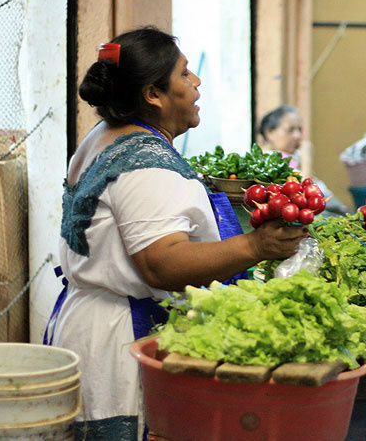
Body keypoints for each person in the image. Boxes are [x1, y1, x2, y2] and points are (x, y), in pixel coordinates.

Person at [44, 27, 308, 438]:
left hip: (87, 325)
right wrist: (256, 245)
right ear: (153, 94)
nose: (196, 82)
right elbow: (161, 264)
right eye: (185, 74)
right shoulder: (146, 163)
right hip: (121, 343)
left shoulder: (103, 137)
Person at [257, 105, 350, 215]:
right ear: (270, 133)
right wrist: (307, 159)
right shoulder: (269, 159)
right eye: (290, 130)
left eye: (299, 130)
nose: (297, 136)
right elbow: (301, 193)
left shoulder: (292, 156)